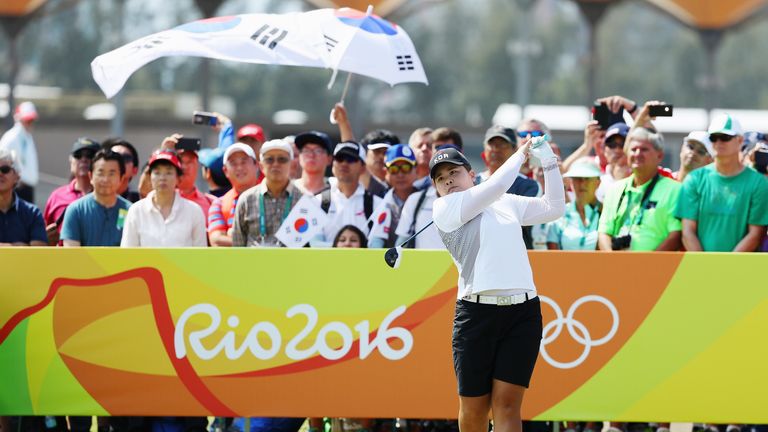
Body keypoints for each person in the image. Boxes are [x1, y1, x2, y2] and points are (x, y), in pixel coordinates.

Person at [430, 135, 564, 432]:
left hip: (523, 313)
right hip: (476, 316)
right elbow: (497, 185)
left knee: (507, 405)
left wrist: (549, 162)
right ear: (437, 189)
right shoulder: (445, 209)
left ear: (470, 174)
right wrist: (520, 154)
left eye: (454, 172)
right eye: (441, 179)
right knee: (475, 410)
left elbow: (554, 208)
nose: (448, 181)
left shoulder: (504, 202)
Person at [676, 114, 768, 252]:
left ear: (740, 140)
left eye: (725, 137)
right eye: (713, 138)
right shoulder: (694, 179)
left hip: (741, 270)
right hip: (700, 268)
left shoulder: (758, 183)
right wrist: (705, 265)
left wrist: (725, 267)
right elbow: (687, 232)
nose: (718, 143)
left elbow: (756, 234)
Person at [597, 128, 682, 251]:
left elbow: (675, 235)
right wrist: (612, 263)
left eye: (644, 149)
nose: (637, 154)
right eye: (633, 149)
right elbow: (604, 232)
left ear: (660, 155)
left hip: (658, 268)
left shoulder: (675, 190)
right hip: (616, 267)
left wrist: (646, 267)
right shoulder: (614, 189)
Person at [121, 151, 207, 247]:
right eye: (157, 173)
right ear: (150, 177)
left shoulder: (194, 211)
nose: (162, 178)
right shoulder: (136, 210)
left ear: (178, 178)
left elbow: (200, 254)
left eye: (169, 172)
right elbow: (127, 252)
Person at [476, 125, 542, 249]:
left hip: (516, 258)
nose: (496, 149)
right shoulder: (472, 182)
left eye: (502, 144)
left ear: (515, 150)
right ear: (485, 149)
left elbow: (515, 222)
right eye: (492, 144)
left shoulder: (529, 186)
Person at [232, 139, 305, 247]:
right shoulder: (246, 199)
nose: (275, 164)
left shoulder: (303, 200)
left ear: (291, 164)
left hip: (292, 263)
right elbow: (237, 246)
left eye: (282, 159)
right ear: (261, 166)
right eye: (269, 160)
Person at [314, 141, 382, 247]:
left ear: (363, 167)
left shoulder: (377, 204)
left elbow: (376, 247)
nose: (344, 163)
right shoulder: (316, 202)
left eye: (351, 159)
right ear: (333, 164)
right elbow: (315, 245)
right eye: (340, 159)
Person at [60, 149, 131, 247]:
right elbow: (71, 255)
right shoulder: (76, 210)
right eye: (100, 173)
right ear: (91, 176)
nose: (105, 179)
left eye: (111, 174)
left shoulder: (131, 211)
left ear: (121, 178)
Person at [43, 137, 101, 245]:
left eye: (90, 155)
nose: (84, 159)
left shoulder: (106, 196)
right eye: (78, 155)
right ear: (71, 161)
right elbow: (46, 233)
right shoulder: (57, 196)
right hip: (64, 259)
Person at [208, 143, 260, 247]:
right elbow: (216, 241)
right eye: (233, 163)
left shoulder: (271, 197)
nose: (239, 167)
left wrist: (233, 236)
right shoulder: (219, 204)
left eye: (244, 161)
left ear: (257, 165)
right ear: (225, 171)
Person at [547, 158, 602, 250]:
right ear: (570, 182)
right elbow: (553, 255)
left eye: (587, 179)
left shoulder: (607, 212)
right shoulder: (559, 214)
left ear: (598, 183)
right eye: (577, 178)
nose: (582, 183)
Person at [369, 144, 417, 248]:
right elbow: (375, 241)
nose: (400, 174)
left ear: (415, 170)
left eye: (406, 167)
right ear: (385, 172)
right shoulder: (379, 201)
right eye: (394, 169)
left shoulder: (427, 200)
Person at [160, 133, 216, 220]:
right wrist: (163, 154)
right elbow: (145, 187)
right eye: (180, 161)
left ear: (197, 165)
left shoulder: (212, 203)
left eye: (189, 162)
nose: (184, 167)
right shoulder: (159, 197)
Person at [0, 148, 46, 246]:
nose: (0, 174)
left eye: (5, 170)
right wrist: (17, 246)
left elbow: (39, 253)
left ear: (17, 176)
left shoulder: (33, 213)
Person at [0, 101, 39, 202]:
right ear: (19, 118)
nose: (30, 123)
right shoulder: (11, 138)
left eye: (31, 120)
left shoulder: (27, 137)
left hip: (27, 189)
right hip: (16, 189)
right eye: (27, 120)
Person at [293, 131, 333, 195]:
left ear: (329, 159)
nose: (311, 155)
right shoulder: (286, 190)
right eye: (306, 150)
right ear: (299, 156)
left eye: (318, 151)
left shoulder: (337, 191)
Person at [102, 137, 141, 203]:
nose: (120, 161)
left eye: (126, 157)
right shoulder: (88, 201)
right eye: (114, 156)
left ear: (135, 170)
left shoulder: (139, 202)